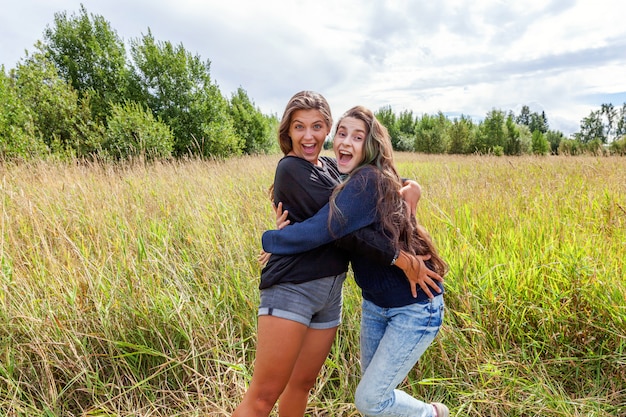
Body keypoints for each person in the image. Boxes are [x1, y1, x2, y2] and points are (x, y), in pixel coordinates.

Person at [232, 92, 427, 417]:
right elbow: (349, 223)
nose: (308, 136)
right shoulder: (291, 168)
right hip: (293, 287)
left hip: (330, 292)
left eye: (317, 126)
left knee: (302, 383)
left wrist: (412, 185)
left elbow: (371, 183)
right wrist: (275, 239)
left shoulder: (329, 167)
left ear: (327, 131)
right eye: (299, 127)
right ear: (288, 132)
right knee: (264, 396)